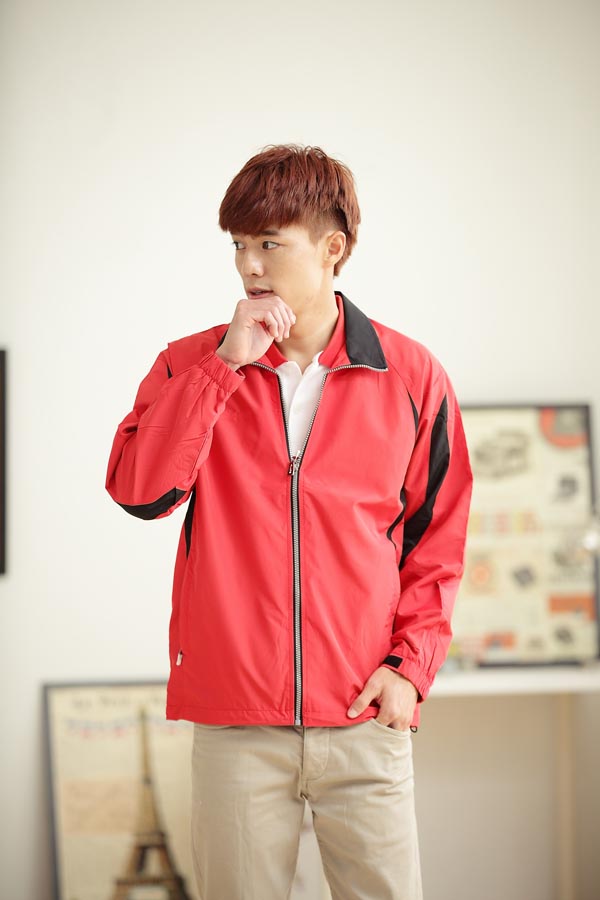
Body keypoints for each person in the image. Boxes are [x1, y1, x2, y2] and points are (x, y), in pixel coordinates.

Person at [106, 143, 473, 900]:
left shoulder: (411, 377)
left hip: (364, 714)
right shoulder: (189, 365)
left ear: (333, 248)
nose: (249, 266)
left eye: (270, 243)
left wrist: (409, 672)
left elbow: (437, 543)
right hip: (237, 723)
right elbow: (141, 492)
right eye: (239, 245)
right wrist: (224, 368)